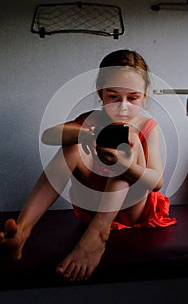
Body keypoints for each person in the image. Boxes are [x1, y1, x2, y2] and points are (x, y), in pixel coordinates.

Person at [0, 49, 176, 281]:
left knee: (128, 138)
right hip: (96, 203)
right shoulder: (91, 121)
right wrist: (83, 134)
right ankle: (22, 233)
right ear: (101, 93)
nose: (123, 106)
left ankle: (97, 236)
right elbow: (48, 136)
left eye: (132, 98)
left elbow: (156, 182)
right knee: (71, 144)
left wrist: (126, 165)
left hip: (134, 210)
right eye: (113, 97)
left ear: (144, 96)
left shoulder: (146, 125)